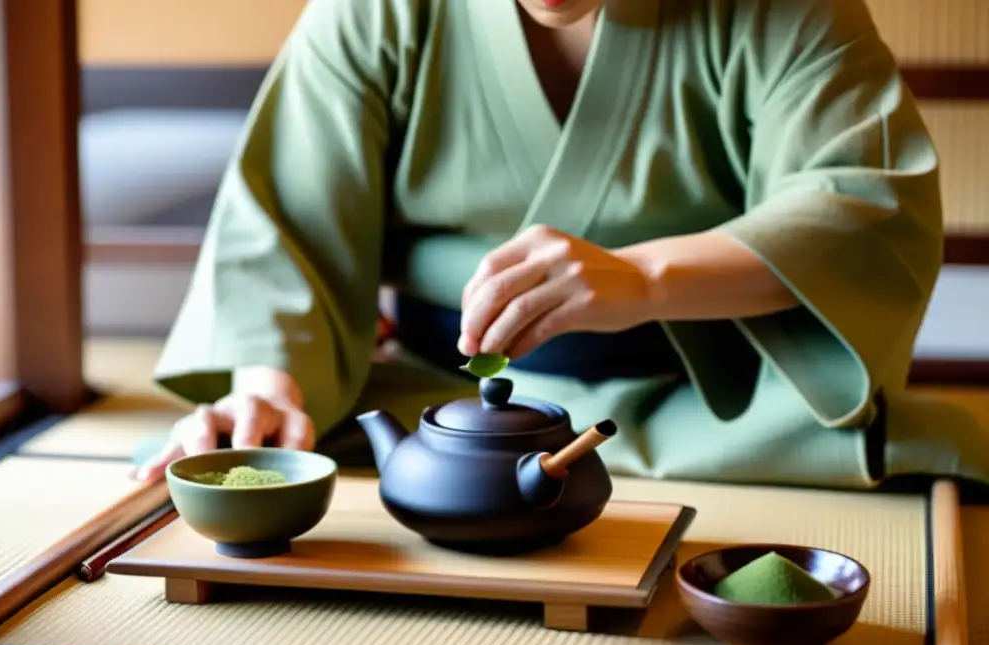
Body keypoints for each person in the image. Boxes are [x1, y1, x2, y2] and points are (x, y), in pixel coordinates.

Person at [135, 0, 989, 494]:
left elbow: (866, 203)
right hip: (429, 403)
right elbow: (289, 216)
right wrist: (269, 391)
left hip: (712, 409)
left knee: (922, 455)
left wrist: (646, 278)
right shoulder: (374, 11)